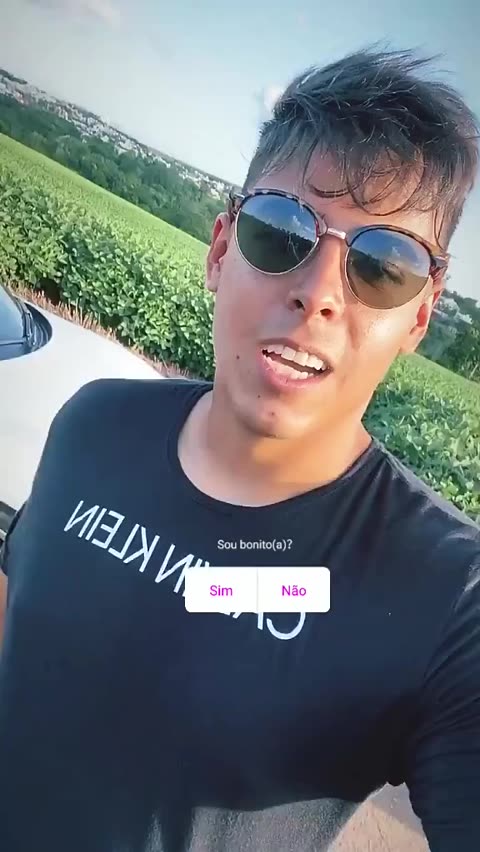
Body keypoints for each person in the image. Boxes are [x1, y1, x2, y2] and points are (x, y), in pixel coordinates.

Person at [0, 45, 479, 852]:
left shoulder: (445, 598)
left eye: (383, 266)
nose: (319, 294)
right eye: (281, 228)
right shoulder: (92, 425)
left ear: (420, 317)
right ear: (221, 248)